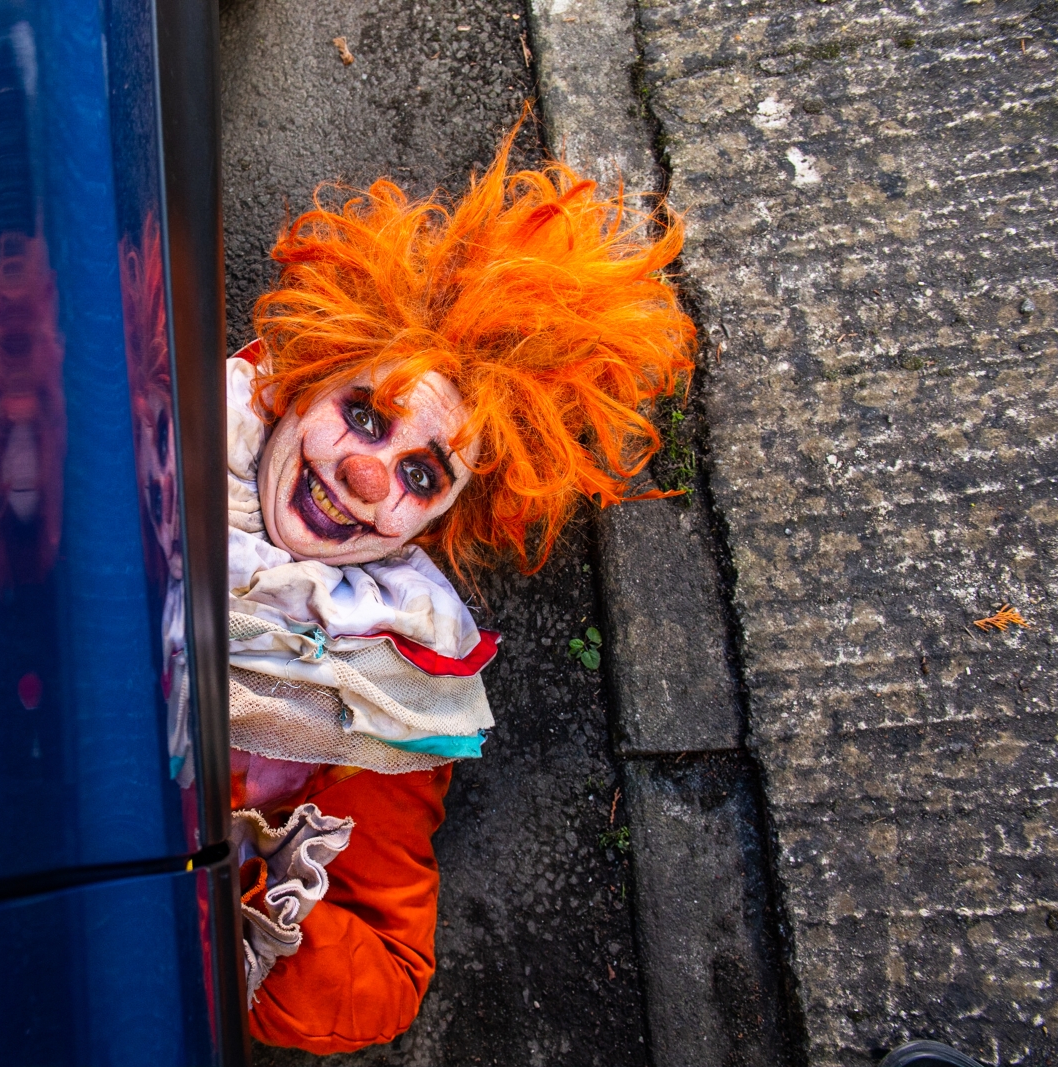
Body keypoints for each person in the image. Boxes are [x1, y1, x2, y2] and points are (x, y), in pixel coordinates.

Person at [227, 121, 696, 1053]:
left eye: (421, 473)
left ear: (440, 518)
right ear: (308, 379)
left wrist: (229, 875)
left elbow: (384, 978)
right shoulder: (158, 414)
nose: (367, 476)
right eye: (365, 414)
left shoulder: (393, 686)